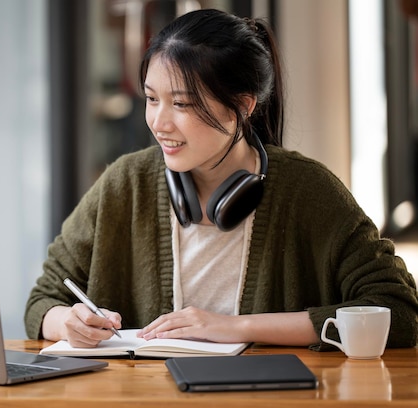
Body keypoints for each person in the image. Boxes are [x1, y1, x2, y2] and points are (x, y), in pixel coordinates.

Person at [24, 8, 418, 350]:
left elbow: (398, 312)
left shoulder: (307, 190)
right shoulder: (125, 183)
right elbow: (43, 301)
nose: (159, 123)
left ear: (242, 107)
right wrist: (67, 322)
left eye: (181, 103)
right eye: (151, 98)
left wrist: (235, 328)